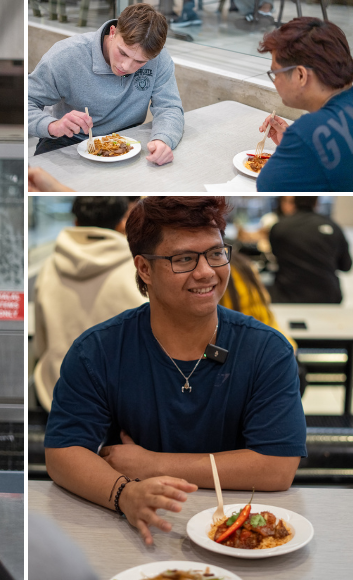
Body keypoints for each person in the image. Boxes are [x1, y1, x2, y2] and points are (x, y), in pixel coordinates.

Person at [44, 196, 306, 546]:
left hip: (240, 530)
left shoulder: (266, 350)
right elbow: (63, 452)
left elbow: (277, 467)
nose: (206, 272)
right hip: (134, 530)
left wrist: (152, 464)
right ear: (144, 269)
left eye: (215, 253)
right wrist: (122, 493)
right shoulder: (98, 351)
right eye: (184, 259)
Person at [28, 4, 184, 165]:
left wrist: (163, 139)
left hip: (128, 139)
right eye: (123, 53)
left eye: (140, 61)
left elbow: (169, 107)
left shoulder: (157, 58)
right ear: (112, 32)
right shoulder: (66, 55)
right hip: (68, 139)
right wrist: (52, 125)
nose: (126, 66)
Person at [33, 197, 147, 412]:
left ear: (75, 222)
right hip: (121, 408)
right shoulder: (141, 272)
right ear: (122, 223)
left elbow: (40, 346)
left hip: (57, 399)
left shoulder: (49, 267)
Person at [254, 18, 353, 191]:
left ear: (300, 75)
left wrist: (300, 142)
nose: (275, 81)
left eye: (275, 72)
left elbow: (266, 186)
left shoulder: (310, 131)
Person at [269, 195, 352, 304]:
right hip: (329, 298)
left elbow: (276, 255)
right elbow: (346, 266)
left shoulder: (279, 227)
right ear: (316, 202)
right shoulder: (333, 226)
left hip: (288, 297)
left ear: (294, 201)